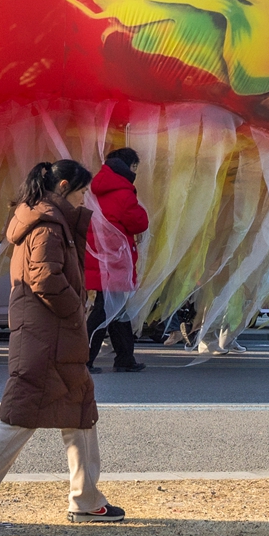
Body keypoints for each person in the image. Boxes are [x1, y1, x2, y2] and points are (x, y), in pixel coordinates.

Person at [0, 159, 125, 533]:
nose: (84, 198)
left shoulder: (46, 221)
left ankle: (87, 499)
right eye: (81, 191)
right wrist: (76, 307)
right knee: (20, 418)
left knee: (80, 414)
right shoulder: (48, 226)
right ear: (63, 187)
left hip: (49, 338)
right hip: (47, 340)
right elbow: (44, 278)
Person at [86, 147, 148, 373]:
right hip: (115, 258)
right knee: (105, 310)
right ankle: (84, 359)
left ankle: (125, 357)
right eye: (134, 167)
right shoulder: (123, 192)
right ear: (128, 166)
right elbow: (139, 222)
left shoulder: (95, 188)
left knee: (116, 308)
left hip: (99, 256)